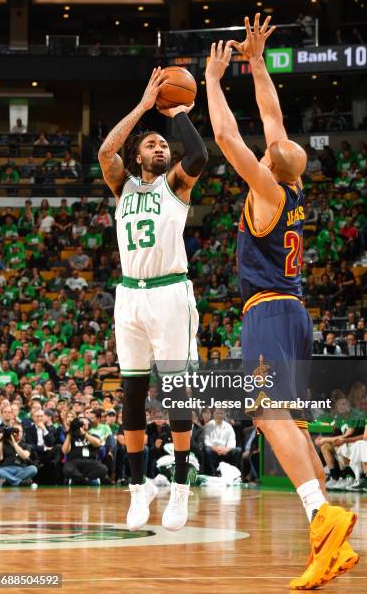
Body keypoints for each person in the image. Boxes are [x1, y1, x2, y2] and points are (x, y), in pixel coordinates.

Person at [205, 13, 357, 590]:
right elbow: (272, 117)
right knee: (289, 421)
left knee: (269, 417)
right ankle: (329, 540)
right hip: (295, 313)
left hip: (268, 308)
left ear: (270, 162)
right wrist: (259, 62)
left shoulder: (267, 187)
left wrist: (217, 80)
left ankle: (323, 514)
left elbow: (226, 138)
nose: (270, 144)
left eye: (271, 148)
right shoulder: (291, 185)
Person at [98, 67, 207, 532]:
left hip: (170, 293)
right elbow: (106, 151)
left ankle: (180, 483)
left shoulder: (176, 186)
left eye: (163, 145)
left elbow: (199, 153)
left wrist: (178, 111)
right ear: (137, 156)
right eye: (152, 145)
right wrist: (145, 105)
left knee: (176, 388)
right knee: (135, 391)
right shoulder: (122, 186)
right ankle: (140, 486)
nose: (160, 148)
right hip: (130, 296)